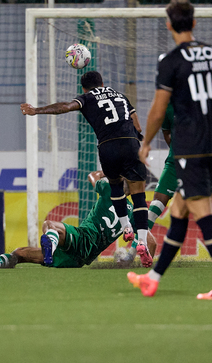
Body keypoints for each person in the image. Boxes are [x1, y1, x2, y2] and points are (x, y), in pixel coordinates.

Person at [127, 0, 212, 299]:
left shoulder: (171, 62)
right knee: (179, 211)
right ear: (194, 23)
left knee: (201, 212)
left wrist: (144, 143)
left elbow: (158, 110)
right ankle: (153, 279)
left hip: (188, 149)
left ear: (169, 25)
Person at [20, 71, 153, 266]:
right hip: (130, 143)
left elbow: (65, 107)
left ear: (83, 88)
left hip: (107, 146)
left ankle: (126, 228)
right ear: (103, 82)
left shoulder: (87, 97)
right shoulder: (120, 96)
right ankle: (141, 240)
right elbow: (138, 126)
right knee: (139, 193)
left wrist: (36, 110)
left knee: (114, 184)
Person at [0, 172, 157, 269]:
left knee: (50, 225)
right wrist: (132, 258)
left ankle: (50, 246)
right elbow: (151, 241)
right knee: (21, 253)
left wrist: (111, 171)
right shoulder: (135, 213)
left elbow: (92, 175)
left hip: (82, 238)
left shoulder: (107, 189)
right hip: (81, 259)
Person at [148, 102, 212, 246]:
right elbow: (166, 132)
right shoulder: (168, 106)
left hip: (200, 164)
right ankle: (133, 251)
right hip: (175, 163)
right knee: (156, 205)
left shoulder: (202, 103)